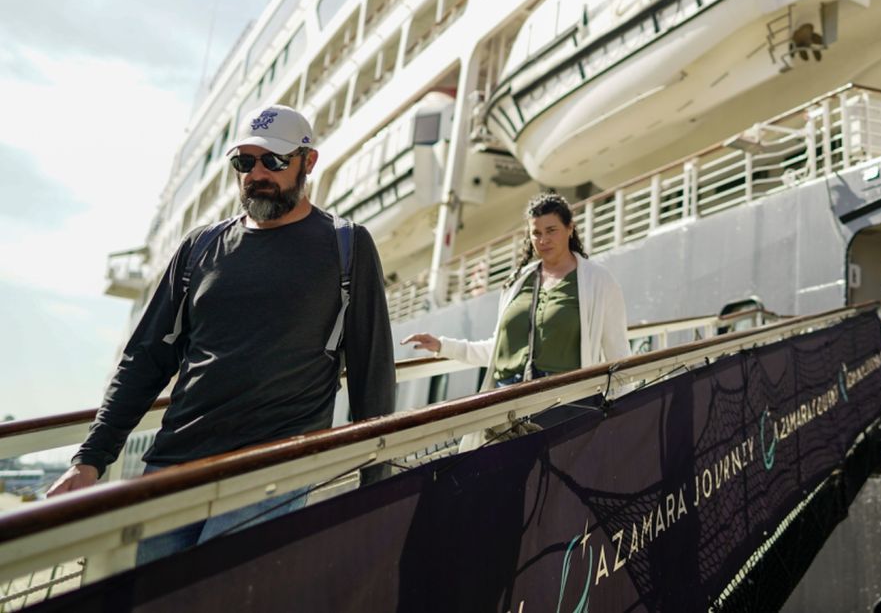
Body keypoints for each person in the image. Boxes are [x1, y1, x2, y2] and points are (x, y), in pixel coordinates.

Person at [47, 104, 396, 562]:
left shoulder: (346, 245)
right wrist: (90, 459)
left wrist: (376, 479)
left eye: (273, 160)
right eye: (244, 162)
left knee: (215, 589)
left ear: (308, 162)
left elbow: (372, 367)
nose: (257, 174)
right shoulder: (200, 246)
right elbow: (145, 358)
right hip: (174, 465)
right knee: (148, 593)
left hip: (272, 468)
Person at [403, 192, 628, 412]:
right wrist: (443, 346)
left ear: (570, 229)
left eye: (551, 230)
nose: (543, 240)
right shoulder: (517, 282)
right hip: (506, 405)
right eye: (536, 233)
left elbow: (617, 355)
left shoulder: (599, 281)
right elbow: (498, 349)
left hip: (565, 406)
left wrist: (624, 413)